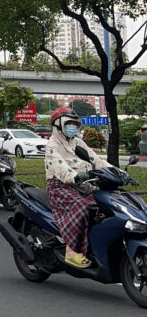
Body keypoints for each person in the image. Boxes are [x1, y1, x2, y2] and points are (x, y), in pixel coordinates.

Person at [44, 109, 100, 269]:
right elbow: (59, 166)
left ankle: (92, 247)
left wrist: (117, 172)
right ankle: (71, 251)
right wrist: (75, 176)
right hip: (60, 186)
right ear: (58, 124)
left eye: (75, 123)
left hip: (83, 185)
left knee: (102, 208)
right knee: (82, 207)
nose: (73, 127)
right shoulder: (52, 145)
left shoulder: (78, 143)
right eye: (69, 123)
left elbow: (96, 160)